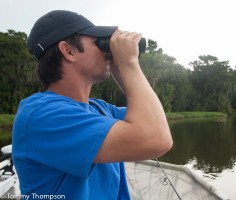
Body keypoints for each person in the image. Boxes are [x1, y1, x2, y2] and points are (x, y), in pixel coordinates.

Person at [12, 10, 173, 200]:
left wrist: (122, 70)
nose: (107, 51)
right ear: (69, 50)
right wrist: (128, 63)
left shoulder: (100, 109)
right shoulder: (41, 115)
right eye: (99, 42)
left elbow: (153, 120)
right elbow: (156, 138)